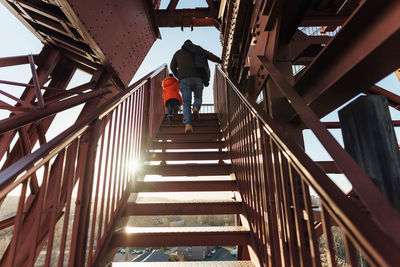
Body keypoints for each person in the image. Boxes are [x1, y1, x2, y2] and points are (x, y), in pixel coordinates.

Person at [170, 40, 222, 133]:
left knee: (186, 102)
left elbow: (172, 66)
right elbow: (209, 55)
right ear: (191, 44)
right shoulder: (197, 48)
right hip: (197, 78)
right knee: (198, 97)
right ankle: (196, 108)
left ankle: (188, 125)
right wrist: (220, 60)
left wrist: (179, 76)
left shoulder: (178, 53)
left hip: (184, 80)